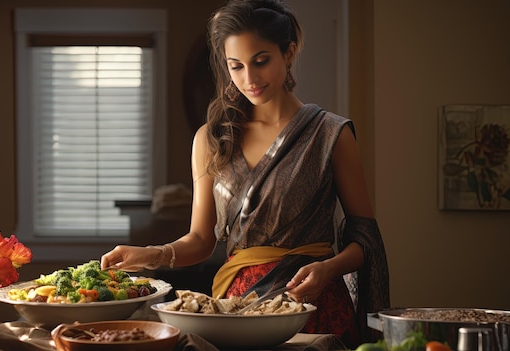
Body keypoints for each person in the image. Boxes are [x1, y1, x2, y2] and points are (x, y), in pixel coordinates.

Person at [101, 0, 389, 347]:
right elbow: (201, 241)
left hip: (313, 306)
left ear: (289, 52)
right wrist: (153, 254)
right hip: (236, 310)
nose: (248, 79)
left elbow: (365, 242)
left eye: (261, 61)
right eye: (235, 66)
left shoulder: (330, 134)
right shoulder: (211, 139)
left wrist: (327, 269)